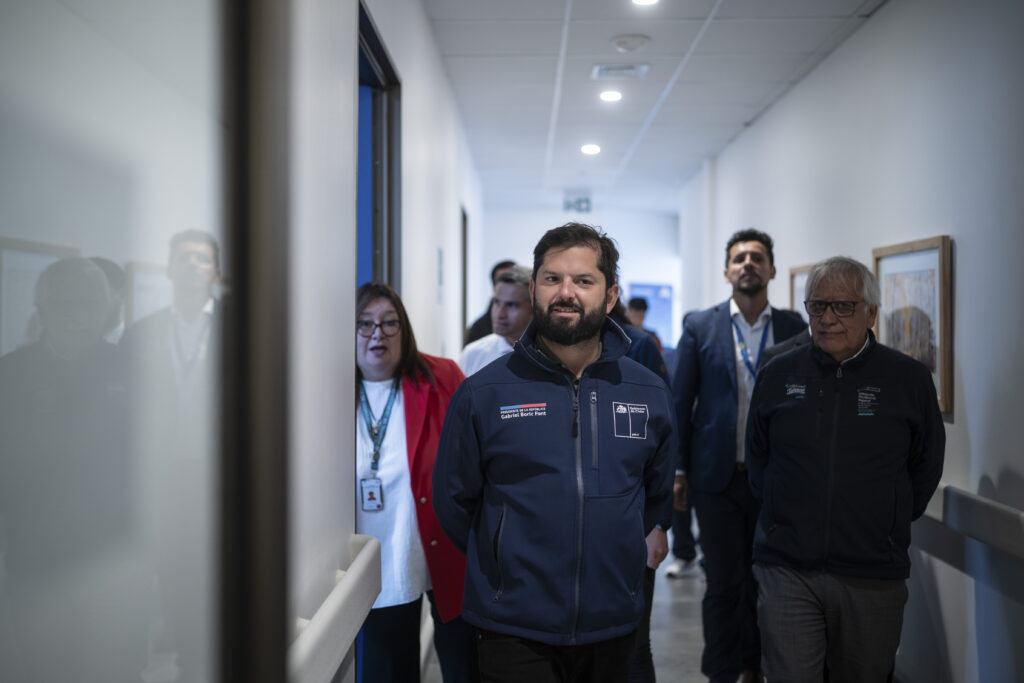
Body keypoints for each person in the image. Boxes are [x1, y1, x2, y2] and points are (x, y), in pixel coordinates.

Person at [433, 222, 676, 683]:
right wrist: (505, 565)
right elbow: (454, 502)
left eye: (583, 281)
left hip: (615, 623)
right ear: (534, 289)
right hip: (512, 628)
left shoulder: (648, 392)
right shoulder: (484, 392)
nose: (566, 292)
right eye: (552, 279)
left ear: (609, 297)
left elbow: (656, 494)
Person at [746, 256, 945, 682]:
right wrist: (786, 519)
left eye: (843, 307)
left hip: (871, 574)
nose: (828, 318)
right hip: (787, 569)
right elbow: (758, 459)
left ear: (871, 313)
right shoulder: (778, 372)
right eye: (817, 306)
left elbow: (925, 466)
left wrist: (883, 520)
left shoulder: (907, 379)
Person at [0, 257, 144, 681]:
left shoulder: (135, 371)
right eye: (66, 305)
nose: (79, 316)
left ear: (106, 308)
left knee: (117, 670)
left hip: (118, 563)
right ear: (42, 311)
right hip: (37, 567)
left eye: (89, 304)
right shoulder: (9, 375)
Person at [671, 229, 805, 683]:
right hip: (716, 477)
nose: (748, 263)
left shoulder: (792, 328)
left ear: (770, 269)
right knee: (724, 583)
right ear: (727, 270)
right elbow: (680, 400)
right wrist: (679, 468)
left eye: (757, 257)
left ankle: (755, 666)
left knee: (764, 581)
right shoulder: (701, 325)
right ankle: (721, 671)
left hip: (773, 480)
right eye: (739, 257)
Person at [353, 282, 477, 683]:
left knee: (465, 665)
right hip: (375, 555)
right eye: (366, 324)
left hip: (446, 547)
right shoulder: (329, 388)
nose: (378, 335)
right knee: (387, 669)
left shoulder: (441, 377)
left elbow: (475, 456)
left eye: (390, 324)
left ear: (404, 331)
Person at [458, 265, 532, 376]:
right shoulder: (473, 354)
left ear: (534, 307)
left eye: (511, 305)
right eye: (496, 302)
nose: (500, 314)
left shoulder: (554, 355)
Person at [464, 259, 517, 346]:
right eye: (504, 281)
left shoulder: (539, 322)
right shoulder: (479, 329)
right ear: (494, 288)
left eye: (514, 280)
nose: (509, 286)